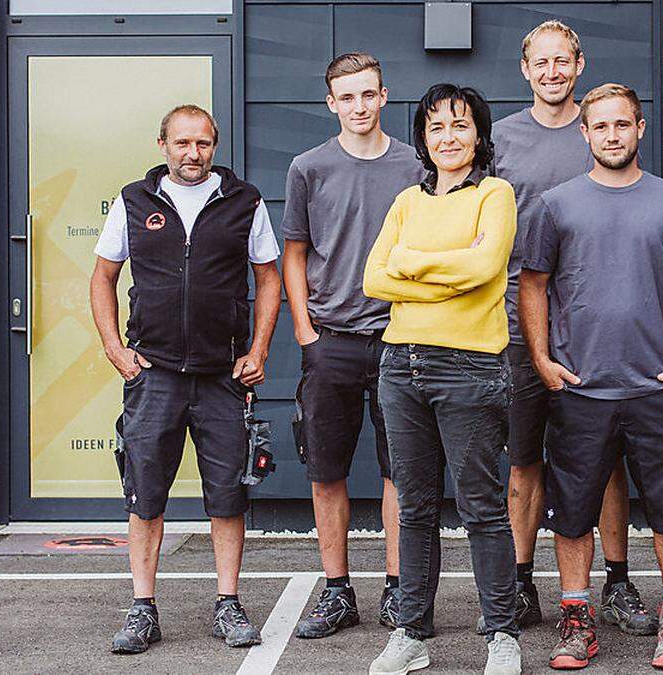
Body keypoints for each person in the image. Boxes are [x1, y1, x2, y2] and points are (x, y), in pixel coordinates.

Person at [519, 83, 663, 671]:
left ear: (639, 129)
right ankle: (575, 618)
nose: (611, 135)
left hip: (659, 385)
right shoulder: (554, 205)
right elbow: (532, 285)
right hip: (580, 387)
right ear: (584, 133)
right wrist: (542, 361)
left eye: (622, 125)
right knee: (574, 512)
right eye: (600, 126)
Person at [89, 104, 282, 654]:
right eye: (182, 144)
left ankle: (228, 604)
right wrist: (114, 348)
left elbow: (268, 279)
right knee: (145, 495)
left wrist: (259, 348)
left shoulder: (244, 202)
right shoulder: (133, 202)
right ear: (163, 145)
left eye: (202, 144)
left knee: (227, 496)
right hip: (154, 375)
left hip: (224, 376)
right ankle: (143, 608)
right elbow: (103, 277)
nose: (192, 154)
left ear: (215, 146)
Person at [488, 20, 649, 637]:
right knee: (525, 459)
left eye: (563, 61)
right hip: (515, 325)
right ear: (525, 70)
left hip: (596, 322)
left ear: (579, 65)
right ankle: (522, 582)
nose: (552, 71)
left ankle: (617, 581)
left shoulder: (605, 130)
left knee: (604, 461)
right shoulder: (499, 140)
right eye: (541, 62)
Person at [364, 84, 521, 675]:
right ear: (423, 139)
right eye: (435, 128)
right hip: (400, 367)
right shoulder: (406, 200)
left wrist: (412, 262)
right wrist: (446, 278)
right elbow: (374, 280)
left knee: (482, 507)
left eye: (459, 126)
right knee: (415, 507)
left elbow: (486, 268)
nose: (448, 138)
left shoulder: (496, 194)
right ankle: (411, 634)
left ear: (478, 133)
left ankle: (502, 635)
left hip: (469, 368)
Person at [283, 52, 424, 639]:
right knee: (326, 471)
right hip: (332, 341)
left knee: (401, 472)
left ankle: (396, 589)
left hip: (399, 339)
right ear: (331, 103)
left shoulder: (416, 165)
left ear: (384, 96)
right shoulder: (308, 168)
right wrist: (305, 332)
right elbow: (293, 252)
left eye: (369, 95)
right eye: (347, 97)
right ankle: (337, 590)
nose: (359, 107)